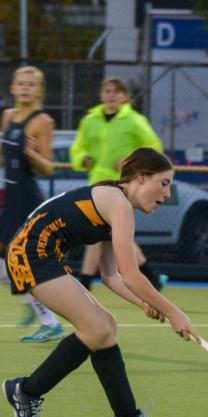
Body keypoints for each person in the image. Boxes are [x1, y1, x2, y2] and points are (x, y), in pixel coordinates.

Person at [2, 148, 198, 417]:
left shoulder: (116, 202)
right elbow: (132, 275)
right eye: (164, 183)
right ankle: (26, 392)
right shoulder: (117, 204)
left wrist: (144, 303)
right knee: (95, 328)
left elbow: (111, 275)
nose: (167, 194)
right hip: (30, 254)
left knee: (107, 327)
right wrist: (174, 313)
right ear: (142, 178)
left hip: (45, 255)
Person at [70, 77, 165, 291]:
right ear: (101, 94)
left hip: (122, 185)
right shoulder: (90, 120)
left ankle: (86, 279)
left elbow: (154, 146)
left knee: (103, 230)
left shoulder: (133, 120)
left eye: (116, 91)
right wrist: (82, 158)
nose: (111, 95)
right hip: (96, 183)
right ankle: (150, 275)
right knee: (106, 232)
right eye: (107, 91)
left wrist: (130, 160)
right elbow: (78, 147)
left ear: (124, 96)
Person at [0, 66, 64, 343]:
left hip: (28, 199)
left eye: (30, 84)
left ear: (39, 91)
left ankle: (50, 320)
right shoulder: (7, 117)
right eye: (20, 83)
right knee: (5, 265)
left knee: (16, 261)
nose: (25, 88)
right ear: (12, 88)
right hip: (10, 198)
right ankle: (41, 312)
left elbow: (48, 168)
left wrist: (30, 153)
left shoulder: (42, 121)